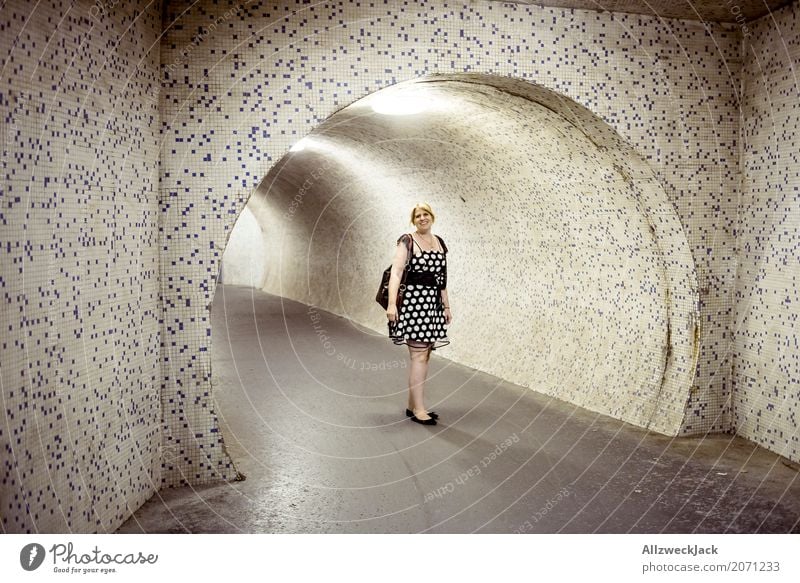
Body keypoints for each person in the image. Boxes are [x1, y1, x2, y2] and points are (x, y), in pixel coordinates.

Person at [386, 202, 452, 426]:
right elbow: (396, 273)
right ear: (413, 220)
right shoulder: (407, 240)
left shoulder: (439, 242)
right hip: (414, 304)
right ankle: (420, 409)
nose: (422, 218)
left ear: (432, 216)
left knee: (425, 355)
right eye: (417, 216)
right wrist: (392, 305)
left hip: (432, 305)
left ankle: (412, 405)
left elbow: (441, 278)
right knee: (419, 355)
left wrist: (446, 306)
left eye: (425, 214)